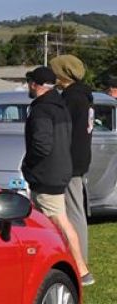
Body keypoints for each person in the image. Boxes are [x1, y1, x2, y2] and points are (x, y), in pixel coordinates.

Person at [22, 66, 93, 286]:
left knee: (59, 221)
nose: (28, 87)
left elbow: (41, 145)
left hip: (47, 174)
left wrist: (28, 164)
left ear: (36, 85)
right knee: (49, 221)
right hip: (61, 169)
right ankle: (52, 262)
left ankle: (81, 270)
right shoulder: (60, 105)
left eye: (30, 83)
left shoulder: (42, 110)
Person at [51, 55, 94, 267]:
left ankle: (80, 261)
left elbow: (63, 129)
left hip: (71, 159)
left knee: (74, 211)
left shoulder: (72, 98)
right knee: (72, 209)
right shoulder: (82, 96)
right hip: (79, 157)